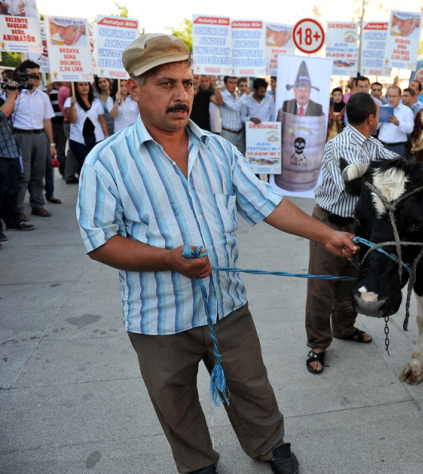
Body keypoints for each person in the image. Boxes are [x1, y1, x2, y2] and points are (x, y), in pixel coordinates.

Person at [77, 33, 359, 474]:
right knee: (174, 401)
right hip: (159, 317)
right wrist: (169, 259)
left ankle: (269, 446)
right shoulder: (105, 162)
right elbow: (99, 241)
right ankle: (197, 463)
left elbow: (268, 205)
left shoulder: (219, 151)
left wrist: (325, 234)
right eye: (165, 84)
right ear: (132, 88)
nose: (180, 95)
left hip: (226, 305)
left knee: (252, 385)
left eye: (187, 84)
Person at [305, 92, 400, 374]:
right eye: (378, 114)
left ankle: (345, 328)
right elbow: (349, 186)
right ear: (371, 118)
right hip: (328, 224)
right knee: (322, 287)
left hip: (356, 227)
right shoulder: (337, 146)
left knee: (349, 282)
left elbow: (396, 161)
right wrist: (384, 180)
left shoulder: (372, 144)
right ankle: (318, 344)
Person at [11, 60, 56, 219]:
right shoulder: (15, 94)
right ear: (23, 76)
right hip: (21, 136)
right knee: (23, 175)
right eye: (33, 75)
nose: (37, 78)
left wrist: (51, 142)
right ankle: (17, 209)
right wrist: (13, 94)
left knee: (39, 173)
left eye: (38, 74)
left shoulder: (43, 96)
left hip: (39, 137)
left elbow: (47, 120)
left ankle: (38, 205)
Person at [0, 77, 35, 243]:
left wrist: (10, 95)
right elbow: (3, 113)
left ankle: (13, 221)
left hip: (8, 150)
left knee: (10, 190)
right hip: (1, 152)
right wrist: (12, 95)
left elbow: (10, 109)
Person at [64, 81, 109, 170]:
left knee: (97, 165)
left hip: (97, 139)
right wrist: (72, 105)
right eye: (81, 85)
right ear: (76, 87)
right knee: (84, 165)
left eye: (86, 85)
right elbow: (72, 120)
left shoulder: (96, 101)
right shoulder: (70, 101)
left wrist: (106, 136)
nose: (84, 87)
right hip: (79, 140)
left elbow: (102, 120)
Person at [378, 85, 414, 156]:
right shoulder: (382, 108)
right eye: (389, 96)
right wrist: (379, 120)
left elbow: (410, 129)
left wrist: (397, 123)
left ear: (400, 97)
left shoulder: (407, 111)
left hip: (397, 147)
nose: (391, 99)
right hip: (381, 145)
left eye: (394, 96)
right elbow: (375, 128)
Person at [45, 81, 63, 204]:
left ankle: (50, 193)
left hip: (61, 124)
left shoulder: (67, 89)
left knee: (60, 151)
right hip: (51, 124)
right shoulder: (46, 91)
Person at [219, 76, 246, 155]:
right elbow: (234, 107)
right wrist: (245, 96)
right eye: (231, 83)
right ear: (225, 84)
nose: (234, 85)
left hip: (239, 133)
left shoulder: (238, 97)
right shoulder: (223, 96)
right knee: (227, 159)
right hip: (227, 133)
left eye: (235, 83)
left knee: (240, 159)